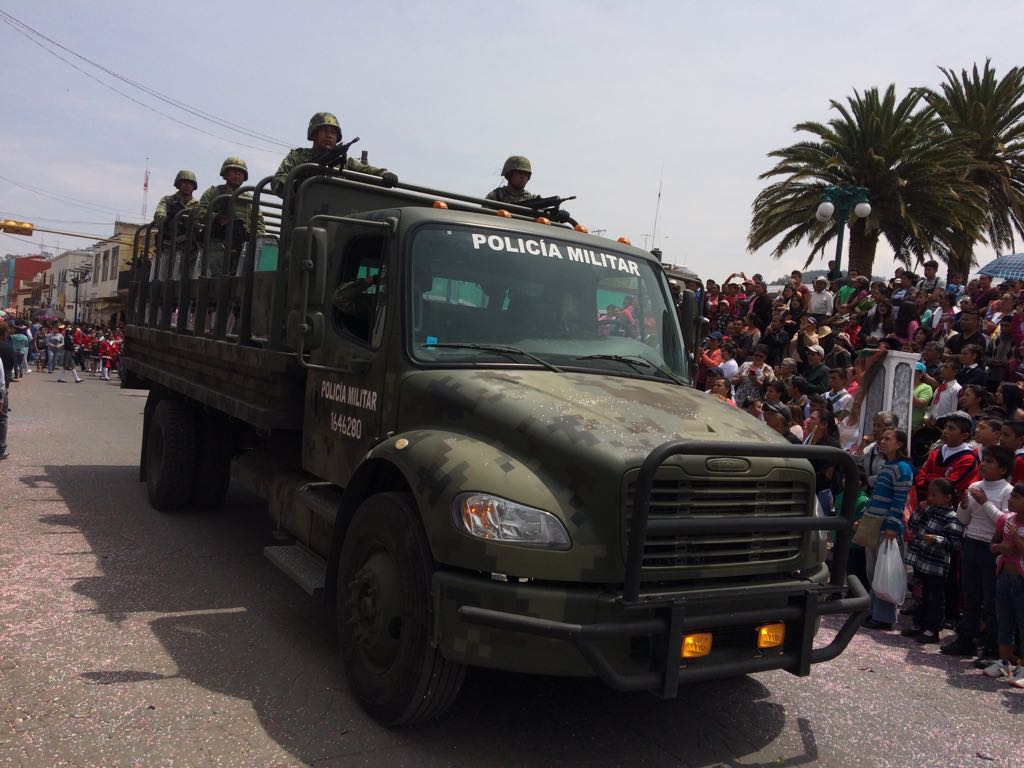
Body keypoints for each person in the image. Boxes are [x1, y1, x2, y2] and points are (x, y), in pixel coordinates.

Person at [942, 445, 1014, 658]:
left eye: (990, 462)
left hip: (992, 549)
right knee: (970, 594)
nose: (984, 465)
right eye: (984, 460)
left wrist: (984, 502)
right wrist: (964, 505)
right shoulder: (975, 485)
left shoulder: (1007, 491)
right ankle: (966, 639)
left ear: (1002, 469)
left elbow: (1006, 525)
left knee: (991, 599)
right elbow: (964, 520)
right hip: (972, 542)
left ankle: (992, 646)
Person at [271, 112, 398, 198]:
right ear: (314, 134)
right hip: (301, 215)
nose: (329, 135)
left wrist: (385, 174)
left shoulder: (344, 161)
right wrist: (297, 185)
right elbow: (277, 182)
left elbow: (366, 171)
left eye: (333, 132)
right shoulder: (297, 156)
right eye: (325, 131)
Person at [861, 428, 914, 630]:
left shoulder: (902, 468)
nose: (882, 441)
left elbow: (899, 500)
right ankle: (874, 611)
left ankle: (883, 617)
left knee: (884, 571)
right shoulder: (887, 466)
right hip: (875, 522)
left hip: (887, 526)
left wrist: (892, 525)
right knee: (874, 570)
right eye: (882, 438)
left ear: (899, 444)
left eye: (888, 439)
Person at [902, 478, 964, 644]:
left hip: (936, 564)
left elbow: (956, 543)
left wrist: (937, 539)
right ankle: (919, 623)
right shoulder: (929, 510)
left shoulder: (953, 517)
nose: (930, 498)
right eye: (929, 494)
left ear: (947, 497)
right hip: (921, 560)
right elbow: (913, 525)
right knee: (921, 594)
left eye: (935, 495)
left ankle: (933, 629)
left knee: (936, 597)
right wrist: (920, 511)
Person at [194, 157, 266, 276]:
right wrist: (217, 218)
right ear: (225, 174)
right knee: (216, 278)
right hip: (218, 242)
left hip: (243, 245)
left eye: (241, 172)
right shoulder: (215, 192)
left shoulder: (249, 198)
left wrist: (257, 241)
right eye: (234, 170)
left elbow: (258, 221)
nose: (238, 174)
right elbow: (199, 211)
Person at [984, 483, 1024, 685]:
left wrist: (1017, 540)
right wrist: (1000, 547)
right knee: (1005, 621)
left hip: (1021, 580)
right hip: (1004, 577)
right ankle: (1004, 662)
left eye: (1016, 497)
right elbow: (993, 544)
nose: (1011, 500)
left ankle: (1022, 668)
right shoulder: (1006, 520)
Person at [153, 170, 198, 268]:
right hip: (169, 245)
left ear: (194, 186)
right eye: (184, 182)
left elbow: (202, 222)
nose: (187, 185)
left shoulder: (197, 205)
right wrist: (170, 217)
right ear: (178, 184)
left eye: (190, 183)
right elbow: (158, 215)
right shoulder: (168, 200)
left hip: (190, 247)